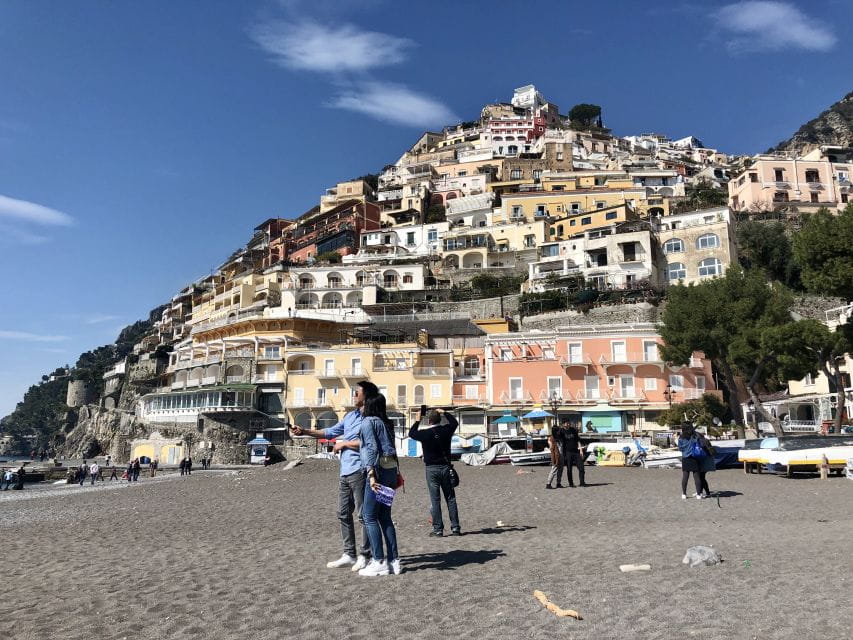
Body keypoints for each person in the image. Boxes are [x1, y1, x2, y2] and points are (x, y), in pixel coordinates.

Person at [290, 380, 378, 572]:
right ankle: (349, 554)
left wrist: (344, 444)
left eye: (357, 393)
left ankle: (366, 554)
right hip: (345, 471)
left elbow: (370, 444)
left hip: (361, 470)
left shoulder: (371, 419)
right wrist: (304, 431)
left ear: (367, 396)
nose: (354, 395)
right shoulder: (350, 416)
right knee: (343, 513)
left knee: (363, 515)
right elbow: (329, 432)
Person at [358, 393, 400, 576]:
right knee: (385, 516)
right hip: (391, 469)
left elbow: (371, 448)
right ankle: (394, 561)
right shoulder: (387, 423)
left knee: (369, 516)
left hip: (378, 470)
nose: (361, 405)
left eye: (364, 403)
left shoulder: (369, 422)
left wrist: (371, 475)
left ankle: (377, 560)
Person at [408, 407, 461, 536]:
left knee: (435, 500)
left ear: (429, 421)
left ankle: (438, 529)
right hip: (445, 467)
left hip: (431, 469)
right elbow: (454, 422)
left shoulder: (425, 434)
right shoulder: (446, 430)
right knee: (450, 498)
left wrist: (417, 420)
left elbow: (411, 433)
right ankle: (455, 528)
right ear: (439, 420)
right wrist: (444, 412)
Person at [677, 423, 714, 499]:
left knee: (685, 476)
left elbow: (680, 448)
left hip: (685, 458)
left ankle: (684, 494)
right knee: (696, 477)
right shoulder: (694, 436)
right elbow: (700, 442)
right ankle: (698, 494)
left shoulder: (681, 437)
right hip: (694, 457)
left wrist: (685, 451)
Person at [545, 423, 566, 489]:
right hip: (555, 456)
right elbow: (551, 448)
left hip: (561, 455)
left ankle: (558, 483)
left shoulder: (560, 438)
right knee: (554, 470)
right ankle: (548, 484)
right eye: (558, 430)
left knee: (561, 470)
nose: (559, 432)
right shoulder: (551, 438)